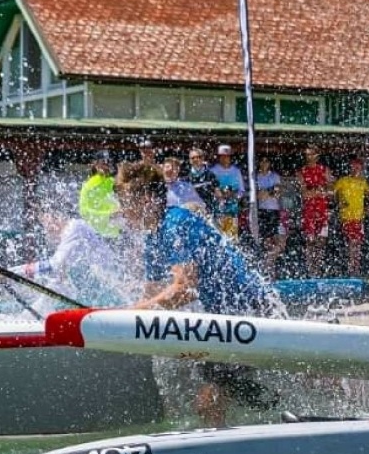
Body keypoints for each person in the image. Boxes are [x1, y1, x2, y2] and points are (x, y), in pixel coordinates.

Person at [115, 162, 285, 426]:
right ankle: (261, 405)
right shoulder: (153, 238)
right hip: (227, 319)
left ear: (147, 199)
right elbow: (153, 294)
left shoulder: (176, 222)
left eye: (125, 203)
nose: (122, 212)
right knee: (225, 390)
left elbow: (185, 288)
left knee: (208, 403)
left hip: (252, 310)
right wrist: (126, 317)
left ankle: (227, 450)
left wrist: (131, 313)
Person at [12, 206, 136, 311]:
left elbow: (54, 265)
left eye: (46, 222)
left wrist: (12, 272)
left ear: (57, 216)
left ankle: (31, 316)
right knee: (59, 282)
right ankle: (31, 313)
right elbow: (61, 273)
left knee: (58, 283)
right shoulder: (70, 232)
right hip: (102, 289)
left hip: (112, 291)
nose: (45, 229)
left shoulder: (75, 228)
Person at [298, 145, 333, 276]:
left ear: (317, 156)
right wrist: (319, 191)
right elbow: (304, 193)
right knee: (310, 240)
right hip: (309, 211)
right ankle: (310, 270)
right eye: (306, 155)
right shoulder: (302, 171)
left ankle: (318, 269)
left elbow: (331, 191)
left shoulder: (325, 170)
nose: (308, 157)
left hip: (322, 211)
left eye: (311, 154)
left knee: (321, 241)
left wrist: (317, 191)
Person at [333, 157, 369, 276]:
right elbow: (333, 194)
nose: (356, 169)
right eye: (354, 166)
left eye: (359, 167)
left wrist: (367, 206)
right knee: (352, 242)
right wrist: (340, 201)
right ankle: (352, 268)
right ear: (350, 167)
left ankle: (355, 268)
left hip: (359, 218)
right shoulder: (343, 180)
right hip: (347, 217)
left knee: (357, 243)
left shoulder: (363, 182)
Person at [78, 151, 122, 240]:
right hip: (96, 236)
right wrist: (109, 215)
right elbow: (84, 212)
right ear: (96, 164)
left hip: (116, 235)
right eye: (103, 162)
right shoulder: (89, 185)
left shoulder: (113, 181)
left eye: (108, 162)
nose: (106, 165)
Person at [255, 155, 286, 275]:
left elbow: (277, 193)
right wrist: (271, 191)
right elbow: (258, 196)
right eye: (262, 161)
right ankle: (268, 268)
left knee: (279, 242)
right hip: (262, 211)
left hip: (274, 211)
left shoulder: (275, 176)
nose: (264, 163)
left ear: (269, 163)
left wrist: (266, 192)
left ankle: (269, 262)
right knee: (266, 242)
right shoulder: (256, 177)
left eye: (266, 161)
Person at [210, 145, 245, 240]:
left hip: (231, 212)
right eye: (222, 156)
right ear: (219, 157)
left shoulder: (236, 171)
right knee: (217, 239)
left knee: (231, 241)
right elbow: (208, 190)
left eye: (227, 156)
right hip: (216, 212)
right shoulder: (212, 171)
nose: (225, 158)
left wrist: (233, 195)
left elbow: (241, 191)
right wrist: (218, 194)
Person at [186, 147, 219, 211]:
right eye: (193, 158)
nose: (196, 159)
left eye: (199, 157)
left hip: (209, 210)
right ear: (190, 161)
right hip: (193, 211)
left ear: (203, 158)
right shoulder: (186, 177)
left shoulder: (210, 175)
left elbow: (218, 194)